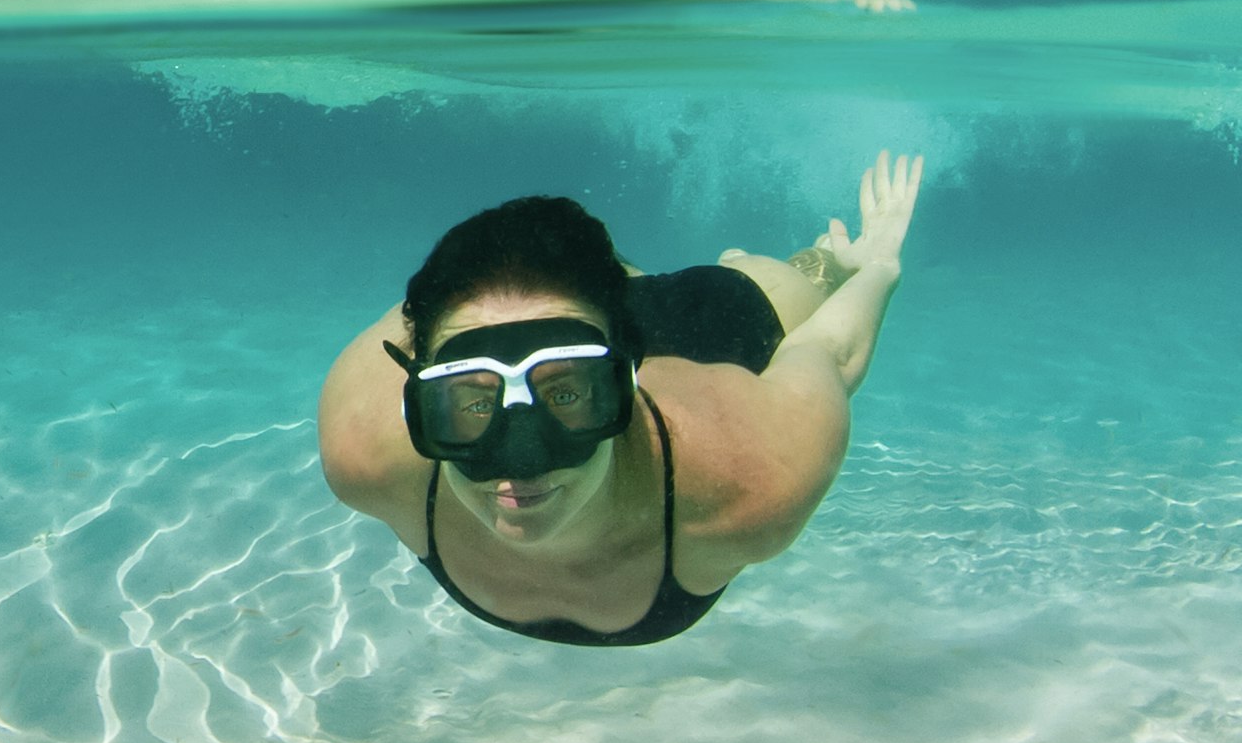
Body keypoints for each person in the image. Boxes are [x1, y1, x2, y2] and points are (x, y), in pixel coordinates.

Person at [313, 155, 920, 646]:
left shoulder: (749, 478)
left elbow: (830, 353)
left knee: (789, 283)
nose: (521, 461)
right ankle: (595, 294)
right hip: (582, 329)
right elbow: (428, 317)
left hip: (703, 325)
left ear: (630, 378)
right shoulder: (365, 451)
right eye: (472, 402)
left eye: (568, 395)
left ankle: (768, 268)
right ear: (414, 398)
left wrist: (871, 270)